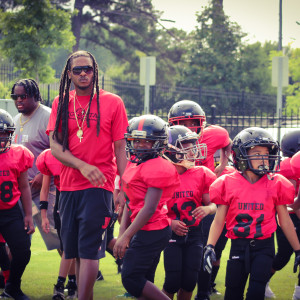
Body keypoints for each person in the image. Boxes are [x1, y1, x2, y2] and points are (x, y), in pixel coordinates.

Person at [47, 50, 128, 300]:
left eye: (88, 69)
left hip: (100, 185)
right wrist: (81, 165)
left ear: (95, 71)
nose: (83, 73)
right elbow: (55, 145)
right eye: (78, 70)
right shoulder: (61, 102)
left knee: (90, 250)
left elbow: (120, 149)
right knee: (74, 251)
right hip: (69, 187)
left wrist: (123, 187)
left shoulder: (113, 102)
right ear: (68, 74)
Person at [203, 127, 300, 300]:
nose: (264, 158)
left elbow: (284, 221)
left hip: (265, 247)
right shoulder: (227, 182)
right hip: (238, 245)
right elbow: (219, 220)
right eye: (257, 153)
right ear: (240, 155)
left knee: (256, 293)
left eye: (266, 153)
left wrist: (298, 249)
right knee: (233, 293)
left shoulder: (276, 183)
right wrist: (209, 246)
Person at [168, 99, 232, 299]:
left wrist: (222, 164)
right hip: (177, 213)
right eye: (182, 124)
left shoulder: (205, 165)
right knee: (173, 277)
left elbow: (227, 144)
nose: (188, 128)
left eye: (192, 123)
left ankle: (205, 289)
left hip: (202, 194)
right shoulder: (166, 167)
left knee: (210, 249)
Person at [113, 115, 180, 300]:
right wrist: (123, 231)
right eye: (137, 141)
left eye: (147, 141)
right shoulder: (134, 163)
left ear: (158, 143)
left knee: (131, 278)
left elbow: (149, 208)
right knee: (144, 280)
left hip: (153, 230)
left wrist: (126, 236)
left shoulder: (157, 166)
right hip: (142, 228)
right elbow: (129, 202)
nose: (141, 145)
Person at [161, 125, 217, 300]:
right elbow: (152, 210)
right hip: (170, 233)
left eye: (193, 145)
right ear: (170, 149)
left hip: (195, 234)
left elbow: (215, 204)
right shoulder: (161, 173)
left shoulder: (202, 173)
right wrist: (171, 223)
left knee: (190, 280)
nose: (193, 150)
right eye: (186, 145)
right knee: (172, 280)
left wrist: (208, 209)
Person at [11, 78, 60, 251]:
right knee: (20, 234)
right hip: (22, 189)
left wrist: (42, 173)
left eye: (23, 96)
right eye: (15, 96)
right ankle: (11, 276)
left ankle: (74, 270)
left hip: (45, 188)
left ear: (34, 95)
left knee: (53, 234)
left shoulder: (47, 116)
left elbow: (58, 150)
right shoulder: (16, 119)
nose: (19, 100)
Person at [0, 109, 35, 299]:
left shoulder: (18, 154)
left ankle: (12, 287)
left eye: (4, 133)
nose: (0, 138)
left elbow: (24, 187)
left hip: (10, 211)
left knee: (22, 250)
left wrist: (28, 215)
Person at [36, 149, 77, 300]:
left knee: (69, 246)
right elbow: (45, 188)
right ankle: (72, 283)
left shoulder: (79, 150)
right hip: (61, 200)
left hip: (79, 198)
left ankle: (60, 285)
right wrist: (43, 215)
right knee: (67, 247)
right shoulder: (48, 156)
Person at [264, 130, 300, 299]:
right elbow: (291, 199)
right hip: (287, 213)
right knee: (284, 254)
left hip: (293, 210)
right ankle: (262, 281)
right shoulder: (288, 166)